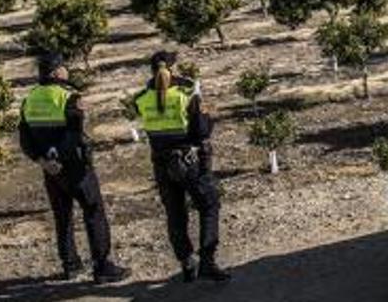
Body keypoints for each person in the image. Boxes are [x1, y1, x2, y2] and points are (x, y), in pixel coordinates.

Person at [19, 53, 130, 283]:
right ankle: (102, 267)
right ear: (56, 72)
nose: (66, 71)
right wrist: (60, 159)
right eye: (63, 67)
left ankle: (70, 265)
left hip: (50, 171)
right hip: (76, 169)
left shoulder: (28, 99)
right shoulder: (69, 97)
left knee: (62, 217)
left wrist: (44, 162)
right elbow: (73, 136)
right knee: (93, 212)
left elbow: (25, 140)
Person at [130, 50, 231, 283]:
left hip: (161, 163)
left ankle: (186, 261)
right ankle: (207, 260)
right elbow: (202, 131)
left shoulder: (142, 98)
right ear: (173, 69)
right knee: (209, 205)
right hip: (190, 161)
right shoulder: (187, 93)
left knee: (175, 213)